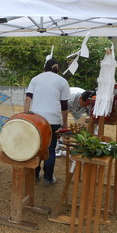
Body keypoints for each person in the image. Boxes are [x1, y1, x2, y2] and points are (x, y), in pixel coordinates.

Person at [24, 58, 71, 186]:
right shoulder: (62, 81)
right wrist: (65, 123)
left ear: (45, 67)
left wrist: (25, 116)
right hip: (53, 120)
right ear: (57, 69)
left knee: (36, 146)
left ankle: (35, 175)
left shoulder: (36, 79)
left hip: (36, 119)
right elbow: (64, 105)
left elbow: (28, 98)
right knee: (50, 148)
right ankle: (48, 178)